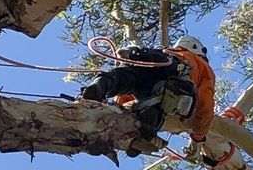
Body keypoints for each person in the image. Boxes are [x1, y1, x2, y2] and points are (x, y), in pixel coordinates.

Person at [78, 34, 219, 143]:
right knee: (162, 107)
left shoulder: (168, 51)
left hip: (150, 71)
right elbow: (206, 100)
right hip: (173, 76)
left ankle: (99, 86)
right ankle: (147, 125)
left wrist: (118, 106)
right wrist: (198, 136)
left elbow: (125, 97)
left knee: (123, 77)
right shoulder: (202, 65)